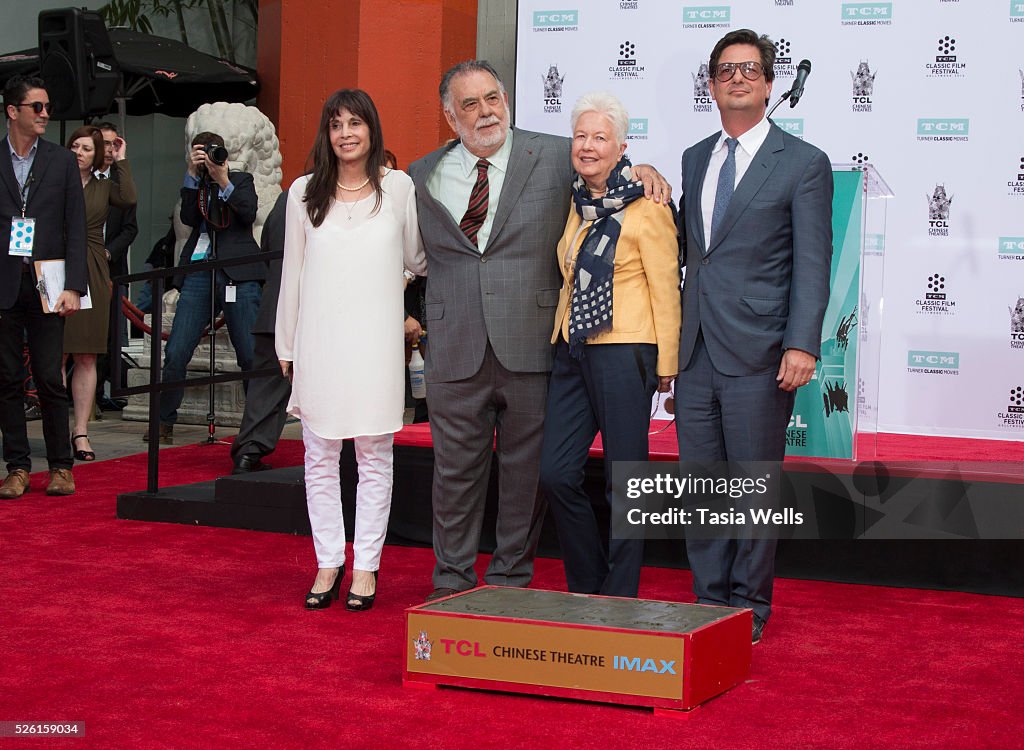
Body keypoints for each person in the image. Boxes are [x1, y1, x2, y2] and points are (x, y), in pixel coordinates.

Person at [408, 60, 670, 601]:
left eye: (493, 98)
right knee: (453, 478)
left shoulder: (554, 155)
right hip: (454, 346)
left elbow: (606, 171)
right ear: (449, 115)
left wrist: (645, 168)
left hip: (534, 345)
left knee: (530, 480)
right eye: (470, 104)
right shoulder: (418, 175)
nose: (485, 113)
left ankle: (509, 583)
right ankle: (450, 584)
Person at [676, 30, 833, 643]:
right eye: (725, 70)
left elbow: (812, 264)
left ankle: (748, 606)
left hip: (763, 351)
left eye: (750, 69)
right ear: (712, 85)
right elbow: (696, 254)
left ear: (769, 83)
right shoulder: (694, 157)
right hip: (695, 353)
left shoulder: (803, 163)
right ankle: (707, 600)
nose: (737, 78)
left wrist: (803, 343)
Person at [276, 89, 426, 611]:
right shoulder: (301, 193)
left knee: (373, 458)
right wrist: (287, 342)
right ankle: (327, 562)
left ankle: (366, 567)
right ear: (327, 133)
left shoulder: (399, 188)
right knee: (318, 457)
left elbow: (418, 258)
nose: (345, 133)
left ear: (371, 129)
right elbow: (292, 273)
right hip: (318, 341)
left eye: (355, 123)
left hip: (375, 344)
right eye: (336, 124)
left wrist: (393, 297)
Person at [538, 92, 680, 598]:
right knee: (555, 471)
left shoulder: (649, 206)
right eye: (581, 136)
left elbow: (667, 288)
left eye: (600, 137)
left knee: (626, 481)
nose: (588, 145)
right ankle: (590, 581)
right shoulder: (578, 205)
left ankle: (619, 595)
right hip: (573, 349)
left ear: (622, 147)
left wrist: (668, 365)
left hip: (628, 351)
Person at [147, 131, 265, 444]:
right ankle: (162, 422)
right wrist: (190, 174)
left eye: (212, 151)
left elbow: (248, 213)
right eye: (201, 152)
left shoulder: (241, 180)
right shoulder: (196, 186)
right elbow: (186, 217)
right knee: (175, 350)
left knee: (249, 354)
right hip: (200, 270)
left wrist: (222, 178)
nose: (208, 157)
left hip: (238, 273)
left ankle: (256, 428)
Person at [0, 75, 86, 498]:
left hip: (48, 284)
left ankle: (60, 466)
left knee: (50, 377)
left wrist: (75, 286)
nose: (46, 114)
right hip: (3, 283)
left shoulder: (61, 161)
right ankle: (17, 467)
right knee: (7, 378)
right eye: (37, 107)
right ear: (12, 111)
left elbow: (75, 227)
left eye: (48, 106)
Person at [63, 125, 137, 461]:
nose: (79, 152)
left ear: (96, 156)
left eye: (86, 148)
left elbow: (130, 198)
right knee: (52, 353)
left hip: (92, 266)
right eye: (74, 146)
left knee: (87, 354)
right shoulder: (51, 182)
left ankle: (80, 432)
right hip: (54, 263)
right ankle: (54, 427)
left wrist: (121, 160)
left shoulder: (104, 186)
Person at [229, 190, 288, 474]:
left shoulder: (290, 195)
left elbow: (267, 246)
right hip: (313, 305)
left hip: (275, 302)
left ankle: (249, 452)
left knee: (267, 383)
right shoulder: (340, 196)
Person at [94, 121, 139, 412]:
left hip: (111, 269)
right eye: (104, 144)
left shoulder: (122, 183)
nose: (109, 150)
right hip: (81, 266)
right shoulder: (81, 179)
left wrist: (108, 253)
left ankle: (99, 394)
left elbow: (130, 229)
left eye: (114, 144)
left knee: (109, 336)